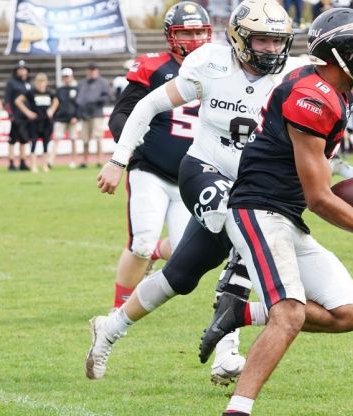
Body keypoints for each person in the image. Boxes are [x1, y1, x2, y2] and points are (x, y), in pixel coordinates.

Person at [88, 0, 296, 386]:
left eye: (277, 41)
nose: (271, 49)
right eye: (262, 40)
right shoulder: (212, 65)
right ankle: (228, 351)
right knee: (244, 232)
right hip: (202, 168)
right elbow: (148, 105)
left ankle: (109, 327)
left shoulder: (291, 77)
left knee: (180, 277)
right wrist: (119, 159)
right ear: (239, 37)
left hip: (248, 182)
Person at [215, 9, 353, 415]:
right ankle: (238, 409)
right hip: (259, 209)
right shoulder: (312, 96)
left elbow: (320, 174)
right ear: (343, 54)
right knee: (290, 313)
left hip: (286, 215)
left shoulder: (335, 90)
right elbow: (319, 197)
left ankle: (241, 310)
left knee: (349, 312)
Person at [105, 0, 211, 321]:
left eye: (199, 32)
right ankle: (119, 308)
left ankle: (154, 253)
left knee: (183, 255)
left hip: (190, 176)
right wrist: (125, 152)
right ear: (170, 35)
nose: (194, 40)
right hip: (149, 168)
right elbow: (122, 114)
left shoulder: (218, 68)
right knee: (140, 242)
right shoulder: (154, 66)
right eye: (186, 32)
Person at [16, 73, 59, 173]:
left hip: (46, 122)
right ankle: (33, 165)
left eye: (43, 82)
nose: (41, 84)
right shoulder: (31, 92)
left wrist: (51, 110)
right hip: (35, 122)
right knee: (33, 143)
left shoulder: (49, 92)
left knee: (46, 143)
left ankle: (45, 165)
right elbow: (18, 101)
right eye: (39, 82)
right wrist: (28, 112)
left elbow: (56, 101)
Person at [76, 62, 111, 168]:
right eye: (90, 70)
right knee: (85, 139)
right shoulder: (82, 83)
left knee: (98, 137)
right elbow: (78, 97)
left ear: (97, 71)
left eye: (94, 70)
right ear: (87, 71)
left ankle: (100, 160)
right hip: (84, 114)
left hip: (96, 113)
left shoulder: (103, 82)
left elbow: (107, 97)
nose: (92, 72)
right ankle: (85, 161)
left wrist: (94, 101)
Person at [4, 60, 32, 171]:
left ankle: (22, 161)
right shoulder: (11, 83)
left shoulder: (28, 84)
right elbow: (7, 100)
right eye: (20, 69)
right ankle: (11, 162)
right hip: (16, 116)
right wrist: (10, 114)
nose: (22, 71)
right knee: (13, 139)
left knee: (24, 139)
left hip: (26, 116)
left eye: (24, 69)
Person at [51, 68, 79, 169]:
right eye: (64, 77)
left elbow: (79, 104)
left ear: (72, 77)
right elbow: (56, 103)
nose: (66, 79)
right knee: (56, 139)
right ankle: (51, 161)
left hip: (73, 119)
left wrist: (76, 116)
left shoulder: (77, 88)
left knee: (73, 139)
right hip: (60, 118)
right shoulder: (59, 90)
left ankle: (74, 161)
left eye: (67, 76)